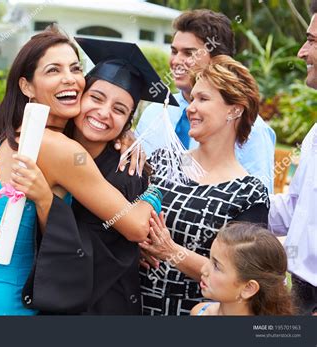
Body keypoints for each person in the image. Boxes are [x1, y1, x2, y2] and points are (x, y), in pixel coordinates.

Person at [0, 28, 163, 315]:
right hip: (10, 307)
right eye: (53, 70)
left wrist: (126, 134)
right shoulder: (61, 149)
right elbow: (137, 226)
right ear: (27, 86)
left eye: (75, 68)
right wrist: (153, 190)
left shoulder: (6, 135)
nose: (69, 78)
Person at [12, 37, 175, 314]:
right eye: (96, 98)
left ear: (128, 122)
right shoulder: (51, 142)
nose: (103, 112)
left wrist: (152, 193)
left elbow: (109, 251)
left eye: (119, 110)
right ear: (80, 96)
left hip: (98, 305)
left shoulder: (126, 171)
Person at [139, 55, 270, 316]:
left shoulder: (249, 194)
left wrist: (171, 252)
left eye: (203, 99)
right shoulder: (162, 161)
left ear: (235, 109)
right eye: (192, 98)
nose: (190, 107)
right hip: (130, 305)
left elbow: (241, 277)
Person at [134, 9, 276, 193]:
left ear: (219, 59)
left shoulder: (251, 129)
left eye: (189, 53)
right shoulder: (154, 113)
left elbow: (259, 204)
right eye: (174, 51)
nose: (177, 61)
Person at [268, 0, 317, 316]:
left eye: (312, 41)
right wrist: (228, 200)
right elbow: (295, 207)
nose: (301, 52)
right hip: (301, 292)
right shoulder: (315, 133)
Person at [190, 223, 293, 316]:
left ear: (248, 287)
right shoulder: (199, 312)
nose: (203, 269)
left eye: (216, 266)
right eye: (210, 259)